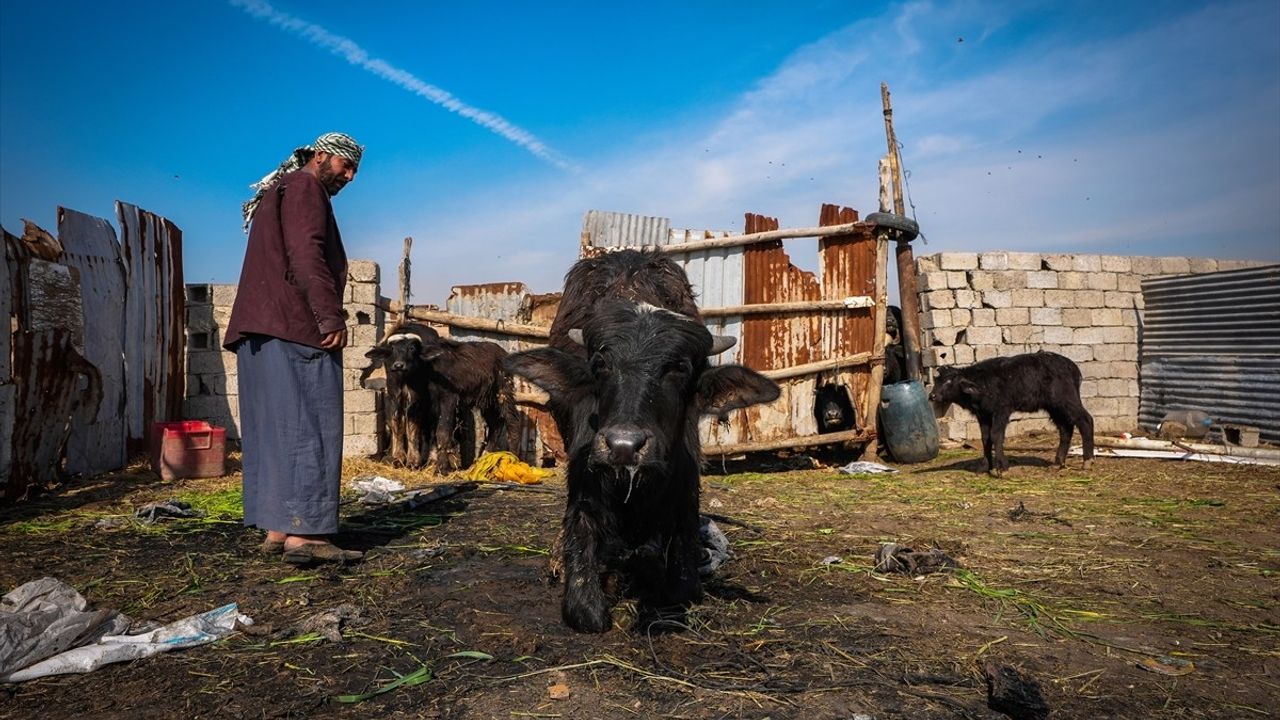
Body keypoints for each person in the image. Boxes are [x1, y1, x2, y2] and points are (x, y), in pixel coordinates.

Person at [224, 132, 365, 565]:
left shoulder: (278, 191)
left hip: (260, 328)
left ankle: (279, 527)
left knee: (274, 430)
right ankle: (306, 537)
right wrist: (329, 315)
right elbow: (307, 253)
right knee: (310, 426)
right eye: (346, 166)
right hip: (293, 327)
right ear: (321, 156)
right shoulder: (305, 187)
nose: (351, 176)